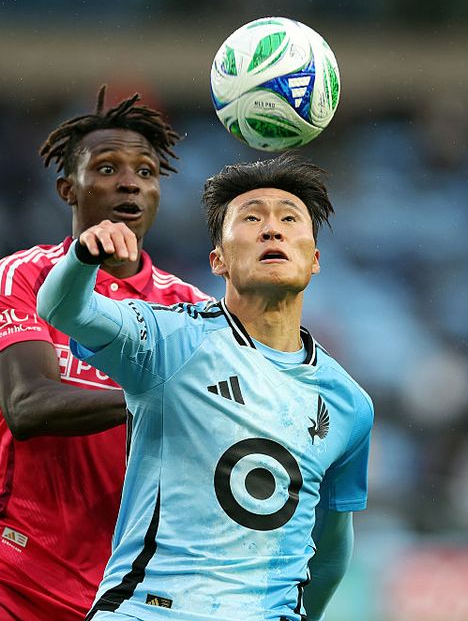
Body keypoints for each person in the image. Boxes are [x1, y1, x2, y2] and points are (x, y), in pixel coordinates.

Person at [37, 152, 374, 621]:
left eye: (290, 219)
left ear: (314, 259)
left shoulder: (349, 404)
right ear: (218, 260)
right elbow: (62, 310)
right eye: (252, 218)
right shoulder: (172, 341)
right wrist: (83, 258)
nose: (272, 229)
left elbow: (332, 547)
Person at [0, 86, 210, 621]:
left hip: (126, 592)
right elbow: (28, 406)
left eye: (146, 172)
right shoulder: (23, 276)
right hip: (9, 566)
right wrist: (154, 397)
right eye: (106, 168)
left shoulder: (191, 312)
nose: (130, 181)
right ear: (67, 189)